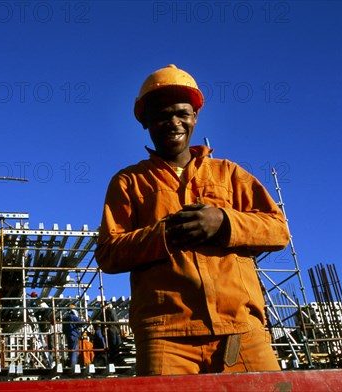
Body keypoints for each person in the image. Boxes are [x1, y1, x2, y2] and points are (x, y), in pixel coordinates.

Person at [95, 64, 290, 376]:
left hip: (240, 331)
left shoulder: (229, 173)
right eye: (161, 114)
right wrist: (166, 234)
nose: (174, 122)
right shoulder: (128, 182)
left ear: (195, 117)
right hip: (165, 338)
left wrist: (224, 222)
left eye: (182, 113)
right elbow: (108, 253)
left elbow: (278, 230)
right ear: (146, 122)